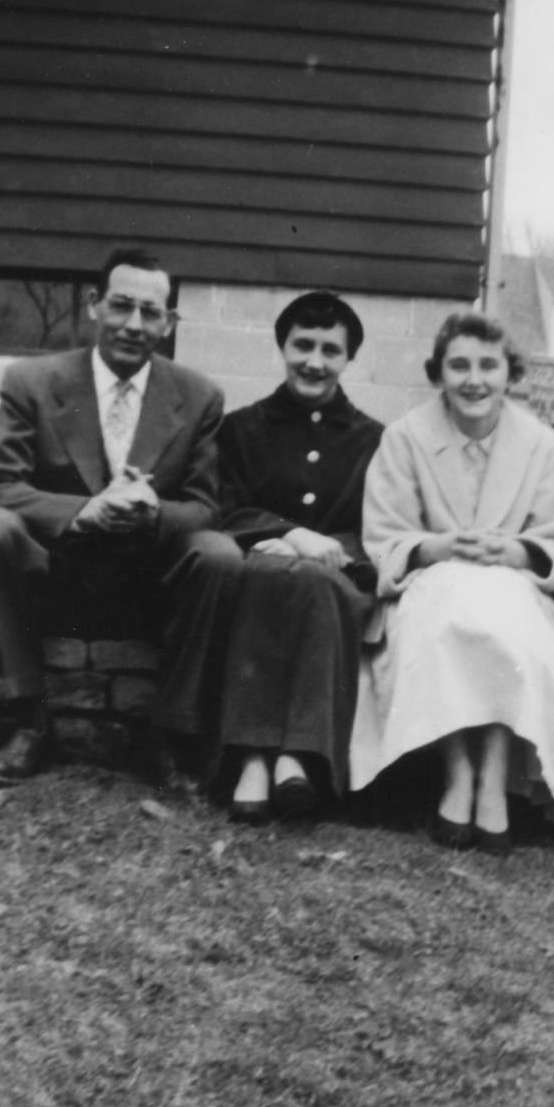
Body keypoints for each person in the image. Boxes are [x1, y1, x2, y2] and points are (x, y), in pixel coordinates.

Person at [0, 246, 235, 784]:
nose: (134, 325)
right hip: (54, 573)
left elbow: (207, 507)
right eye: (121, 306)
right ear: (93, 305)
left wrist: (153, 512)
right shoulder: (32, 382)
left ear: (169, 322)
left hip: (147, 580)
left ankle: (168, 734)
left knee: (220, 556)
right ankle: (28, 719)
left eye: (150, 312)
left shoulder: (199, 396)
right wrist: (83, 510)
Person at [350, 312, 554, 851]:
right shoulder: (406, 438)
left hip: (513, 581)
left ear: (510, 373)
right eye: (459, 366)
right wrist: (437, 547)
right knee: (448, 619)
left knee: (509, 624)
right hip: (431, 580)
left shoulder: (542, 444)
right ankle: (457, 770)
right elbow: (384, 533)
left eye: (488, 366)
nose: (474, 379)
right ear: (439, 373)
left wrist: (515, 549)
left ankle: (495, 772)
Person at [213, 291, 384, 824]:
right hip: (259, 565)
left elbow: (378, 525)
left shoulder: (373, 440)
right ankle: (258, 761)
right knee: (270, 578)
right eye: (302, 345)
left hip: (336, 577)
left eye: (330, 350)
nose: (315, 360)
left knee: (314, 584)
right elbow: (222, 506)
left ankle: (294, 757)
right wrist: (287, 535)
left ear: (348, 359)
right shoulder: (241, 429)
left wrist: (323, 549)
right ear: (282, 347)